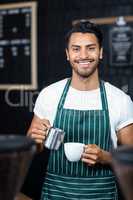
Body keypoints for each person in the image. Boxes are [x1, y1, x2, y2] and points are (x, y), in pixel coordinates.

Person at [27, 20, 133, 200]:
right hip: (56, 193)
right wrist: (35, 141)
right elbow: (30, 149)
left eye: (90, 48)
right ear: (67, 54)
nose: (83, 55)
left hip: (102, 195)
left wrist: (105, 158)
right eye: (76, 49)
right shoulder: (50, 94)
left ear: (100, 53)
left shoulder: (120, 99)